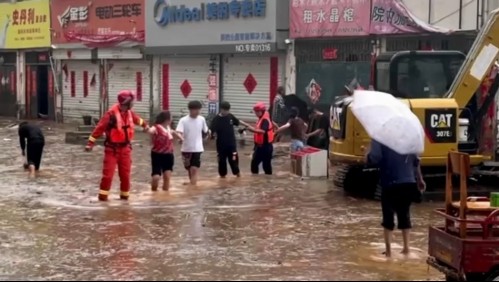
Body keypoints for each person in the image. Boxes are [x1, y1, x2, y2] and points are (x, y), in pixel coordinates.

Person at [85, 90, 149, 202]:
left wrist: (145, 126)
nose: (133, 104)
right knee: (108, 176)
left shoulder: (129, 113)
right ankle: (102, 200)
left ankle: (125, 200)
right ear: (126, 102)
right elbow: (98, 129)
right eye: (131, 102)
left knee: (125, 176)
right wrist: (90, 144)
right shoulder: (110, 115)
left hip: (125, 149)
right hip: (112, 150)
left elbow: (138, 120)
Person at [366, 139, 426, 258]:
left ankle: (388, 252)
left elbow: (373, 158)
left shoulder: (379, 137)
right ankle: (406, 249)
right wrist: (419, 179)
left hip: (390, 181)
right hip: (408, 181)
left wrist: (367, 151)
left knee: (388, 216)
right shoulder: (408, 137)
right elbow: (416, 161)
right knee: (404, 214)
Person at [176, 100, 210, 186]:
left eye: (199, 109)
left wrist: (209, 134)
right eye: (196, 110)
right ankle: (192, 183)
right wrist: (180, 138)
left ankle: (193, 187)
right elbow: (178, 132)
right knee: (189, 168)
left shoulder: (202, 119)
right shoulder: (183, 120)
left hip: (198, 148)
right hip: (186, 148)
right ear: (190, 110)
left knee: (194, 168)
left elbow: (206, 131)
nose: (198, 111)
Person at [148, 111, 183, 192]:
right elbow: (150, 130)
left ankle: (165, 194)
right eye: (171, 117)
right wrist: (149, 131)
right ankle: (153, 192)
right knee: (156, 177)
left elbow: (174, 132)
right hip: (157, 155)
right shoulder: (156, 127)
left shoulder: (168, 128)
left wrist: (181, 139)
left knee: (167, 176)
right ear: (167, 119)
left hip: (168, 155)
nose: (172, 119)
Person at [210, 101, 241, 178]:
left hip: (232, 145)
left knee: (234, 160)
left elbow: (237, 122)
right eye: (225, 110)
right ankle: (222, 179)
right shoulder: (216, 119)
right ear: (221, 109)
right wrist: (211, 135)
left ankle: (238, 175)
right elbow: (211, 131)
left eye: (228, 110)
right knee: (222, 162)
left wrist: (246, 126)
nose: (226, 112)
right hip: (221, 146)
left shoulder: (230, 116)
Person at [242, 102, 274, 175]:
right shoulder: (261, 118)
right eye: (255, 111)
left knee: (266, 166)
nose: (256, 113)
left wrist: (251, 130)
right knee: (254, 164)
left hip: (266, 147)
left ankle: (267, 182)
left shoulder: (265, 120)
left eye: (257, 111)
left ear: (262, 111)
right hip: (259, 146)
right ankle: (256, 181)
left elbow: (263, 131)